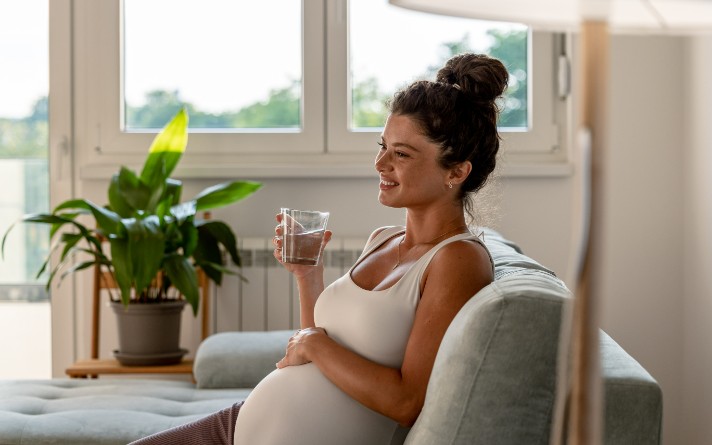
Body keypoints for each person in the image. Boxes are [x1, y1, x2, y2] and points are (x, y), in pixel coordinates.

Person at [129, 52, 508, 445]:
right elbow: (324, 349)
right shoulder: (382, 239)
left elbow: (406, 401)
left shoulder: (458, 260)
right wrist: (308, 276)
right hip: (241, 424)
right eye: (382, 146)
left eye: (401, 153)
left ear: (456, 171)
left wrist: (314, 343)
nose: (380, 163)